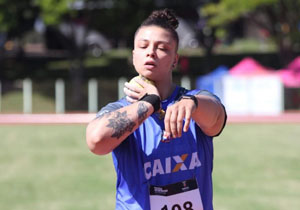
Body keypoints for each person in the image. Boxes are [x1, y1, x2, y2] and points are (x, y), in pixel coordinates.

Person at [86, 8, 227, 210]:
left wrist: (192, 103)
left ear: (175, 60)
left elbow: (217, 120)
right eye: (143, 46)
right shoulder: (119, 109)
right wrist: (150, 103)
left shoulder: (195, 102)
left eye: (162, 48)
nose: (151, 52)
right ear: (134, 56)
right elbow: (96, 141)